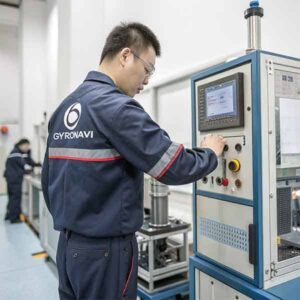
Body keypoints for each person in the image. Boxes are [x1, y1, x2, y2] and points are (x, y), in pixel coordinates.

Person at [41, 22, 226, 300]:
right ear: (126, 55)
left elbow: (48, 180)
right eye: (148, 69)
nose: (147, 80)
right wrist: (210, 154)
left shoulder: (65, 108)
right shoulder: (116, 107)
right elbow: (172, 165)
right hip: (105, 254)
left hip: (68, 248)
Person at [4, 138, 40, 223]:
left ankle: (9, 215)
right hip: (15, 179)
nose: (27, 148)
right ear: (22, 145)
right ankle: (14, 218)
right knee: (16, 198)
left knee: (11, 197)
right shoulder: (17, 154)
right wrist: (30, 170)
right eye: (26, 146)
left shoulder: (15, 152)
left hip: (10, 178)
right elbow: (24, 166)